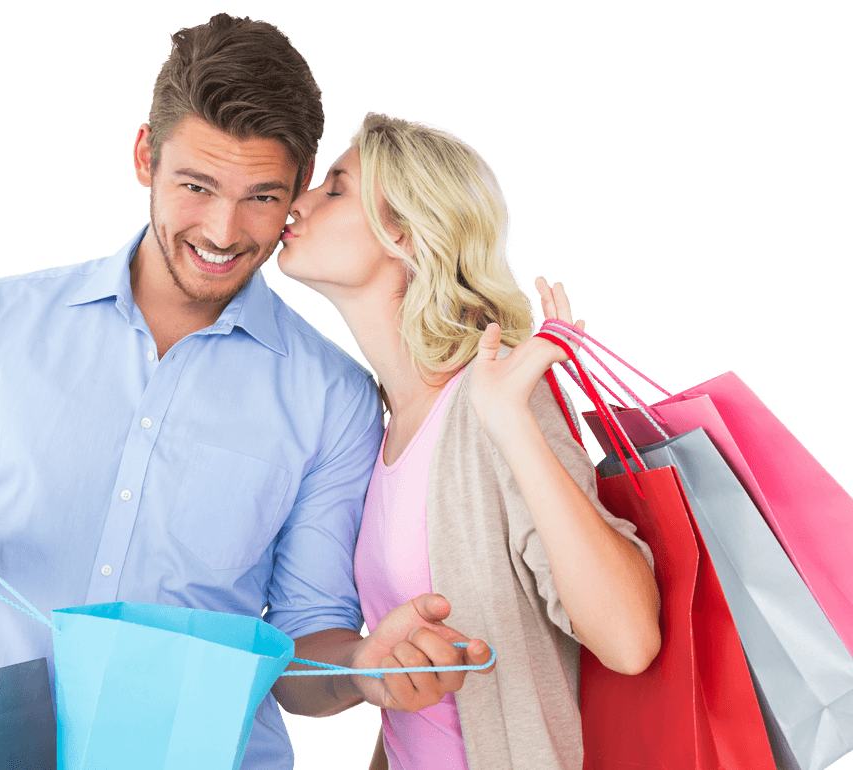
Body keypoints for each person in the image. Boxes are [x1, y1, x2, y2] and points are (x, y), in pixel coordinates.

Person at [0, 15, 492, 770]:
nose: (224, 231)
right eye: (196, 186)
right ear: (144, 156)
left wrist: (364, 667)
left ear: (298, 190)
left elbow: (302, 654)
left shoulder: (335, 397)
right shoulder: (0, 323)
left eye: (262, 196)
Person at [277, 112, 662, 769]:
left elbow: (628, 640)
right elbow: (316, 658)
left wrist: (511, 419)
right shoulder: (369, 423)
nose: (298, 200)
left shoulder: (496, 401)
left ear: (405, 233)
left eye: (335, 187)